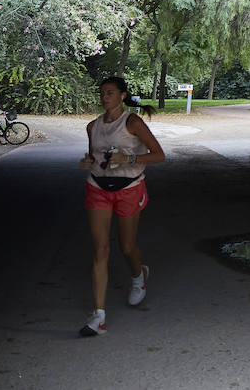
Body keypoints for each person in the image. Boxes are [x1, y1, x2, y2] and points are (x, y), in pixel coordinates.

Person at [77, 75, 166, 337]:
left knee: (126, 246)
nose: (105, 97)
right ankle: (99, 316)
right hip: (98, 187)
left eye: (111, 93)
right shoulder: (92, 126)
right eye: (102, 93)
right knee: (100, 249)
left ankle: (139, 276)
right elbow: (93, 156)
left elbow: (159, 155)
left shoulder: (133, 122)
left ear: (122, 96)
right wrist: (87, 161)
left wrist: (128, 157)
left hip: (129, 188)